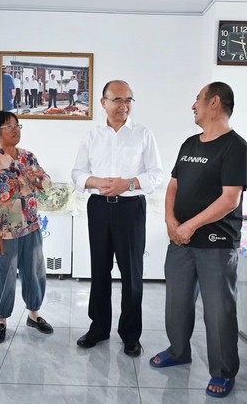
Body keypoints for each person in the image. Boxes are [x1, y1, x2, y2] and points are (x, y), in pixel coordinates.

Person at [150, 82, 247, 399]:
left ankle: (223, 371)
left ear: (214, 103)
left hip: (217, 244)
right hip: (181, 240)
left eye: (197, 99)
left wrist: (189, 226)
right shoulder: (190, 144)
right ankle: (179, 350)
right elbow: (173, 186)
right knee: (177, 303)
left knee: (218, 312)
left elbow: (229, 200)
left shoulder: (235, 147)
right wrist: (170, 221)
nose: (193, 106)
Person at [71, 80, 163, 357]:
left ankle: (130, 334)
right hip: (98, 207)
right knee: (99, 269)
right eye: (117, 100)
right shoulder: (91, 136)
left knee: (132, 273)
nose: (124, 106)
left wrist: (130, 183)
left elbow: (157, 174)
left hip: (130, 208)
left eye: (128, 100)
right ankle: (98, 328)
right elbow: (77, 173)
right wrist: (95, 180)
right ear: (103, 103)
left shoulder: (143, 134)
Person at [0, 111, 54, 343]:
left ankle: (34, 314)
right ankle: (1, 320)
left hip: (30, 226)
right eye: (8, 126)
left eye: (17, 125)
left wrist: (36, 177)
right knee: (4, 276)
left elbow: (46, 184)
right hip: (3, 231)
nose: (15, 129)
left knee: (35, 272)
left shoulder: (28, 157)